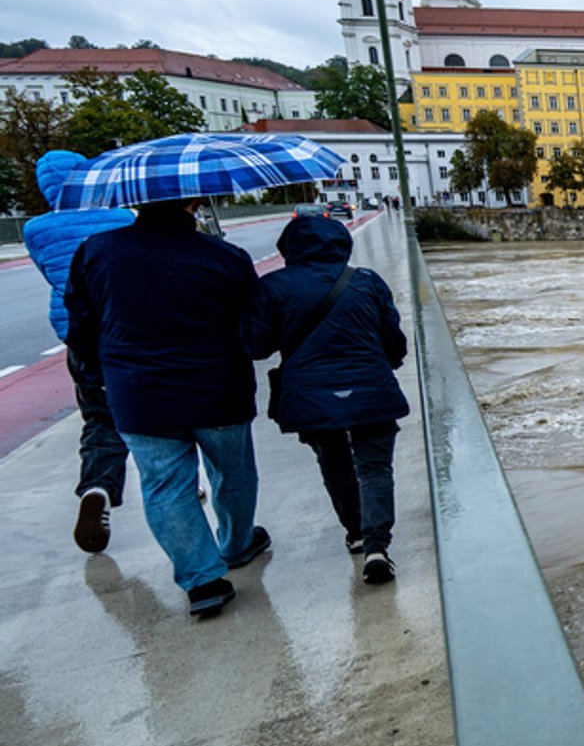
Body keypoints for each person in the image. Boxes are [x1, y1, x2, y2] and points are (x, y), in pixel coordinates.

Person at [66, 195, 268, 617]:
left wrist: (98, 372)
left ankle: (202, 581)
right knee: (233, 473)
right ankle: (235, 543)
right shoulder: (225, 257)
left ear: (138, 202)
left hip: (140, 394)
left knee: (164, 485)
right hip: (219, 390)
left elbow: (82, 326)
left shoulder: (97, 251)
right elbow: (253, 331)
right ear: (193, 202)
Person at [248, 215, 409, 585]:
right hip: (369, 387)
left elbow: (257, 346)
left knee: (334, 461)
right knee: (374, 467)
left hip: (310, 393)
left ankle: (354, 532)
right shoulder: (366, 281)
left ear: (288, 248)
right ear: (342, 244)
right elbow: (393, 341)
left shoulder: (273, 286)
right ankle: (377, 548)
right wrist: (384, 363)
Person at [22, 151, 135, 553]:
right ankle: (186, 487)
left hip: (79, 335)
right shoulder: (124, 221)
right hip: (130, 329)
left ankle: (97, 488)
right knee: (161, 414)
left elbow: (51, 273)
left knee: (100, 419)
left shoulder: (36, 229)